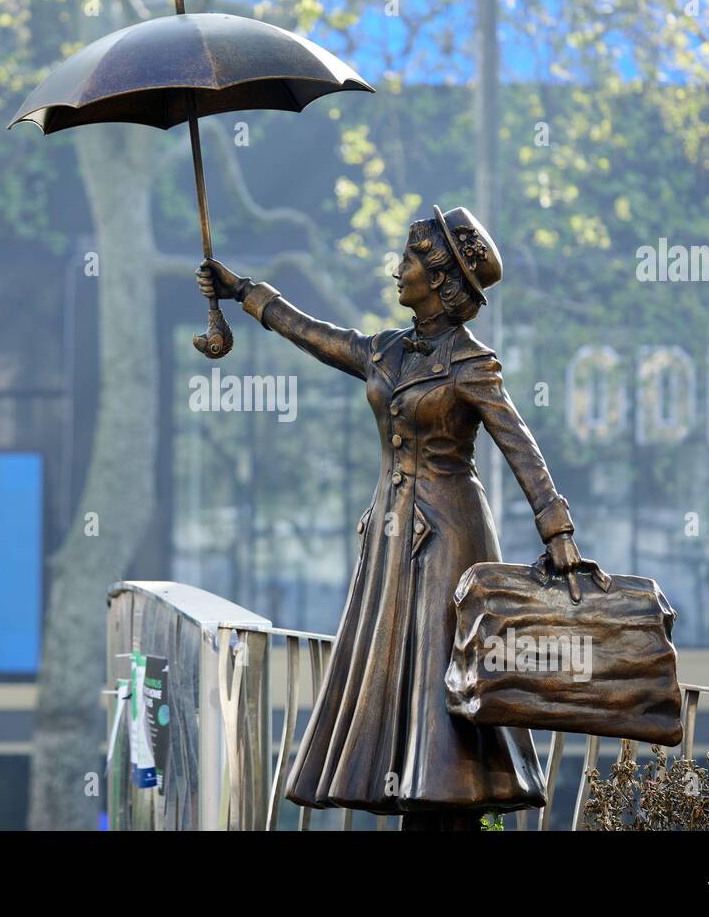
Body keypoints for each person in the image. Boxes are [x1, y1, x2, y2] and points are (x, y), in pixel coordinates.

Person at [195, 205, 587, 831]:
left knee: (443, 683)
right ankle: (415, 796)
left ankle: (452, 806)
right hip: (390, 536)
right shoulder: (385, 351)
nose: (396, 269)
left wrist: (557, 531)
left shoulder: (471, 364)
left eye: (408, 259)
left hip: (450, 538)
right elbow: (312, 334)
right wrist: (243, 291)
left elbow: (520, 446)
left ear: (439, 279)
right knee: (399, 683)